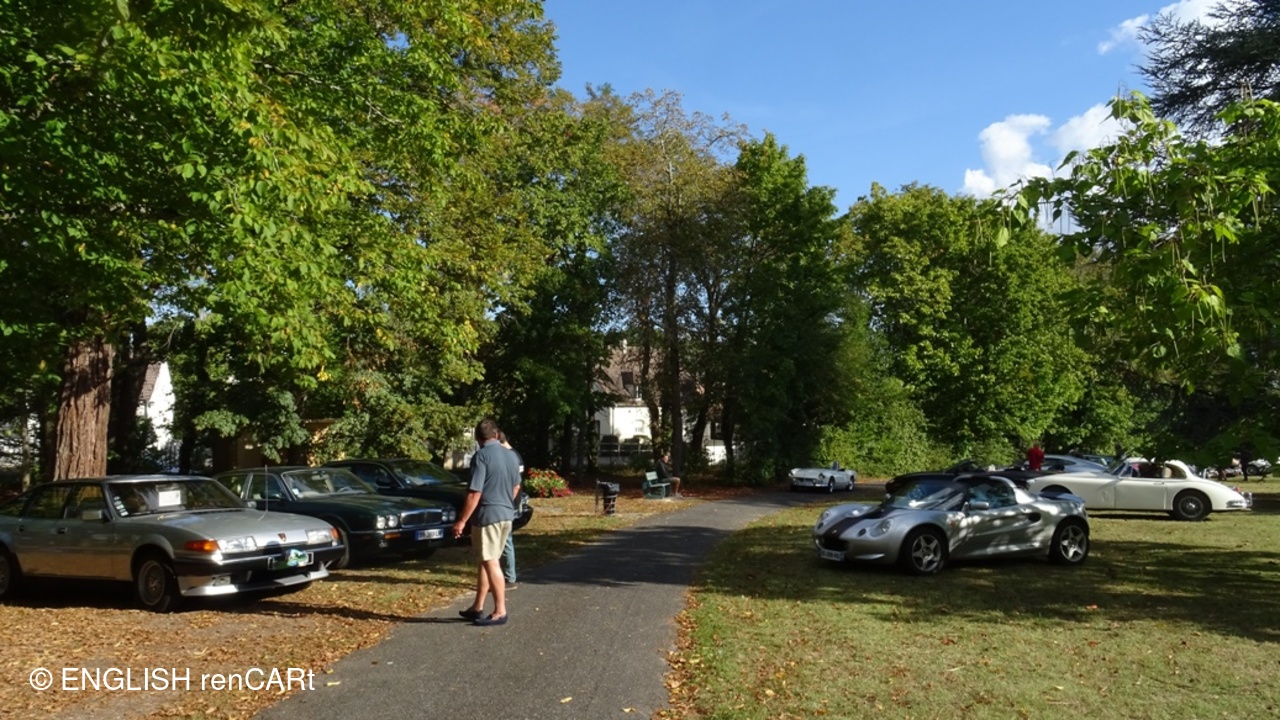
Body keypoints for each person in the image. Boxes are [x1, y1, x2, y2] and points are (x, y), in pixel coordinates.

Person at [452, 419, 521, 626]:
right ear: (496, 435)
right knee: (486, 559)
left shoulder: (481, 456)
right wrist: (505, 502)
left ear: (477, 438)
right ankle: (477, 607)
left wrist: (462, 521)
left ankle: (500, 611)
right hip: (506, 515)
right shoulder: (511, 455)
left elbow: (475, 493)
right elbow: (516, 486)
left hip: (488, 516)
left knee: (490, 561)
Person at [497, 431, 522, 589]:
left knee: (506, 540)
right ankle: (506, 574)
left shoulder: (511, 456)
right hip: (511, 501)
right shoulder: (514, 455)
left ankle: (509, 576)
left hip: (509, 502)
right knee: (505, 539)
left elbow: (515, 484)